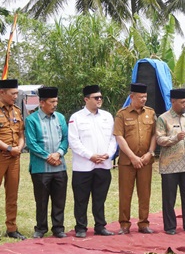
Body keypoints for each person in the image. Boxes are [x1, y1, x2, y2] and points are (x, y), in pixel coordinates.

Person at [67, 85, 118, 238]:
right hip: (83, 166)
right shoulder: (76, 117)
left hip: (103, 164)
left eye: (101, 97)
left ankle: (100, 226)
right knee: (81, 199)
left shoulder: (107, 116)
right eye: (96, 98)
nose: (99, 100)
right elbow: (74, 142)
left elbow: (112, 139)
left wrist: (108, 154)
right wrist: (90, 156)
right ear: (86, 99)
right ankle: (81, 227)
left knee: (100, 199)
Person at [24, 86, 68, 238]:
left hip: (60, 167)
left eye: (56, 101)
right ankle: (41, 228)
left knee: (59, 200)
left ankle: (58, 228)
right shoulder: (31, 120)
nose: (55, 104)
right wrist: (48, 157)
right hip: (40, 168)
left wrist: (59, 153)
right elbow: (31, 143)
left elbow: (65, 139)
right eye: (52, 101)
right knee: (41, 201)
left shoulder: (60, 118)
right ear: (42, 103)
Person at [114, 83, 157, 234]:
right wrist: (132, 157)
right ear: (132, 97)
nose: (143, 99)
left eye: (145, 96)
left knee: (145, 193)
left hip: (146, 161)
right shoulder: (122, 114)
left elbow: (154, 135)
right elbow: (119, 137)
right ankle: (124, 224)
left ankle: (143, 223)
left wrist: (150, 153)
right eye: (140, 97)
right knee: (125, 193)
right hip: (127, 162)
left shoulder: (151, 113)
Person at [156, 89, 185, 235]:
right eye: (182, 102)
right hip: (170, 165)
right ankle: (170, 226)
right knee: (169, 198)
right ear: (173, 101)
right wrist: (174, 139)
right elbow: (159, 139)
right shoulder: (163, 118)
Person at [0, 79, 26, 240]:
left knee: (12, 194)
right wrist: (9, 148)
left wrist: (19, 148)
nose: (16, 97)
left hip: (14, 158)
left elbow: (21, 134)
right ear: (2, 93)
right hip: (1, 156)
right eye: (13, 93)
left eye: (17, 93)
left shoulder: (16, 111)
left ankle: (11, 227)